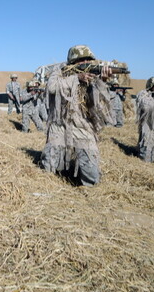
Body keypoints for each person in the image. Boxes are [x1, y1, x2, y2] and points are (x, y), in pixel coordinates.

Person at [41, 45, 113, 187]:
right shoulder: (60, 72)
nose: (85, 63)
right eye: (81, 60)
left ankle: (88, 189)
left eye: (87, 60)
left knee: (91, 172)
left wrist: (102, 82)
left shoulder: (93, 77)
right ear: (73, 62)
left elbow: (98, 105)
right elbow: (52, 87)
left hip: (82, 125)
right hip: (59, 124)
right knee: (50, 166)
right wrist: (76, 78)